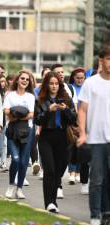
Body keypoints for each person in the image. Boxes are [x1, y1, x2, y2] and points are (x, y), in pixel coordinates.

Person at [34, 71, 77, 213]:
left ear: (60, 85)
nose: (54, 86)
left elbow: (73, 119)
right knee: (50, 170)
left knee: (59, 171)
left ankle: (52, 200)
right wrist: (48, 110)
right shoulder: (40, 100)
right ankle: (50, 202)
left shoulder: (67, 99)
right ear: (46, 84)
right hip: (46, 136)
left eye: (56, 84)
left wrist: (65, 110)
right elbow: (37, 120)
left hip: (63, 137)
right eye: (51, 83)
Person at [77, 44, 110, 225]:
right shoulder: (91, 83)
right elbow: (82, 109)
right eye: (109, 59)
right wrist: (83, 133)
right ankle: (95, 215)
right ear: (101, 61)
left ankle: (106, 212)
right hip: (96, 139)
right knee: (97, 179)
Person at [4, 70, 35, 199]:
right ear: (17, 80)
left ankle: (19, 188)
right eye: (22, 78)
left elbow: (32, 114)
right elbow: (6, 112)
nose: (24, 81)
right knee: (15, 159)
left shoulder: (30, 97)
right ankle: (11, 185)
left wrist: (15, 113)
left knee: (23, 162)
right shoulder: (10, 95)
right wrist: (21, 114)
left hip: (27, 131)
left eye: (27, 79)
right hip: (12, 130)